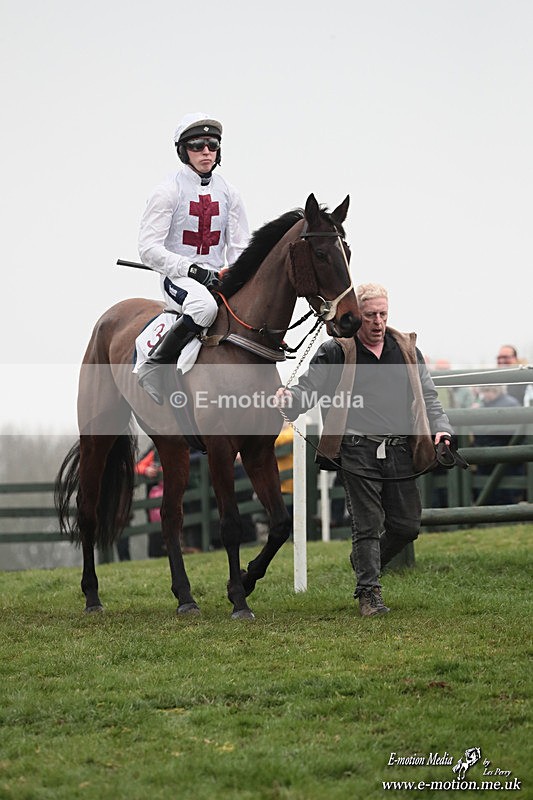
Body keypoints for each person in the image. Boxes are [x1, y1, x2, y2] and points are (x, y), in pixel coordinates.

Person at [275, 283, 454, 617]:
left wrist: (442, 428)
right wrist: (290, 400)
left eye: (383, 314)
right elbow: (309, 388)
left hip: (400, 447)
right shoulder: (335, 350)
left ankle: (363, 560)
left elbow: (429, 396)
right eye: (370, 314)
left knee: (406, 526)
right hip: (356, 448)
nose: (378, 321)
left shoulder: (406, 350)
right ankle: (369, 594)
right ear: (358, 315)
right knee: (367, 524)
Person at [136, 111, 250, 404]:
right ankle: (154, 366)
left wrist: (239, 280)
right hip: (178, 279)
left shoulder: (230, 194)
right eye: (197, 145)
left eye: (212, 145)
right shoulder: (167, 192)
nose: (206, 152)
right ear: (182, 151)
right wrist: (191, 270)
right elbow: (148, 248)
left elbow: (238, 248)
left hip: (218, 278)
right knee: (204, 308)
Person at [472, 385, 524, 505]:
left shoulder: (510, 404)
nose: (486, 394)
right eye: (484, 391)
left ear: (497, 391)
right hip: (486, 452)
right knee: (488, 488)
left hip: (503, 452)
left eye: (489, 391)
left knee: (504, 489)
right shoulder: (481, 404)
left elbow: (511, 430)